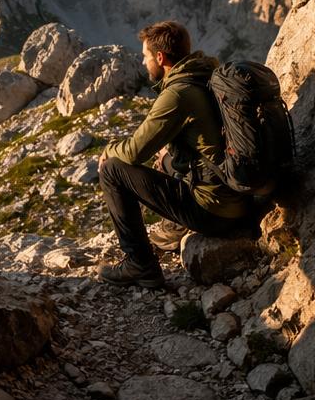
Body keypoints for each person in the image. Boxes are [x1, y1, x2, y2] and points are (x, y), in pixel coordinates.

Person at [96, 20, 252, 288]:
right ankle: (177, 228)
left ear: (160, 57)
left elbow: (134, 152)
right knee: (165, 160)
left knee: (112, 169)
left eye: (146, 57)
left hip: (214, 212)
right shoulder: (205, 76)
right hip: (238, 197)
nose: (144, 63)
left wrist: (108, 150)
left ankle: (139, 265)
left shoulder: (178, 94)